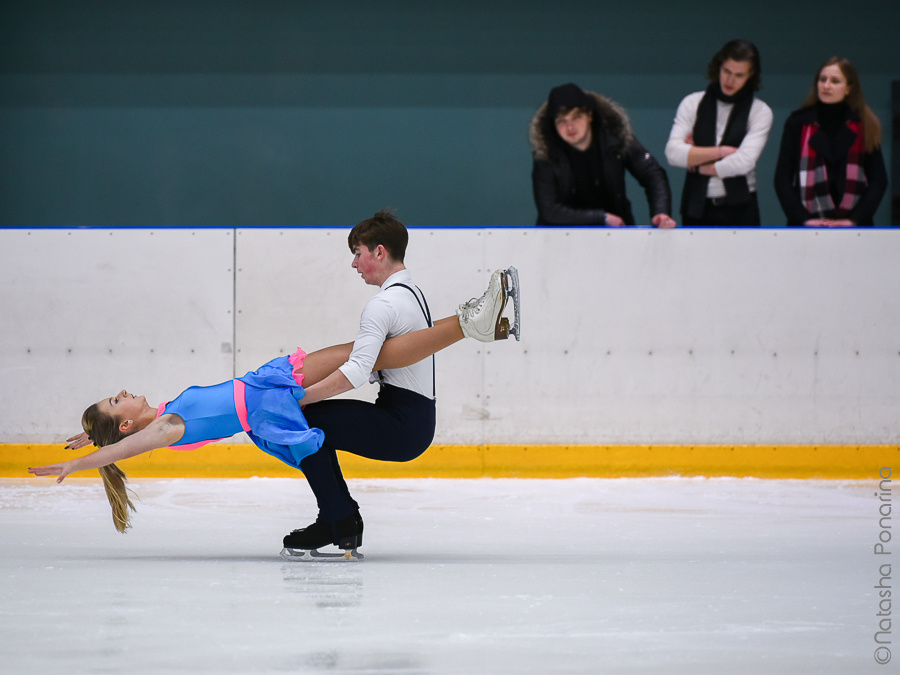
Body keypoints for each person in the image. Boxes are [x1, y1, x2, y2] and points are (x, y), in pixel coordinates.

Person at [28, 272, 512, 536]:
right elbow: (126, 450)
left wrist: (95, 433)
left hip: (269, 379)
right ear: (129, 424)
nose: (125, 391)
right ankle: (473, 323)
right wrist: (91, 459)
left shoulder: (163, 412)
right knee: (374, 354)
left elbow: (120, 438)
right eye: (118, 400)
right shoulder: (168, 425)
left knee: (367, 353)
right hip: (267, 406)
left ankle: (476, 323)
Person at [280, 211, 518, 554]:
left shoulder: (384, 304)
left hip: (401, 427)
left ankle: (337, 519)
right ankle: (338, 518)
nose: (354, 264)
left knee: (304, 421)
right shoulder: (412, 293)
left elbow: (358, 370)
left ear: (379, 252)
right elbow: (384, 364)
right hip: (413, 420)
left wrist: (303, 397)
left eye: (357, 253)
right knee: (316, 424)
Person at [529, 82, 677, 228]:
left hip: (615, 232)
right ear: (553, 125)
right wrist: (602, 218)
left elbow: (652, 174)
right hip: (560, 237)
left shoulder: (616, 137)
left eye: (576, 117)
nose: (570, 127)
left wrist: (661, 213)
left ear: (589, 115)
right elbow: (549, 209)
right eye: (561, 121)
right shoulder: (546, 154)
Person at [665, 39, 773, 226]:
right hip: (696, 206)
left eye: (739, 75)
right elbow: (673, 153)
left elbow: (744, 162)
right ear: (718, 67)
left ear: (750, 75)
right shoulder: (693, 103)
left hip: (740, 208)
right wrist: (721, 152)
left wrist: (699, 164)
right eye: (726, 71)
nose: (730, 80)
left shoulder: (760, 111)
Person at [774, 56, 887, 226]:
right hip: (806, 225)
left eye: (835, 81)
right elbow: (782, 178)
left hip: (854, 227)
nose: (826, 86)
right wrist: (804, 220)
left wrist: (853, 220)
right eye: (822, 79)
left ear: (848, 88)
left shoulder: (864, 123)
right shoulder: (797, 122)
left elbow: (879, 180)